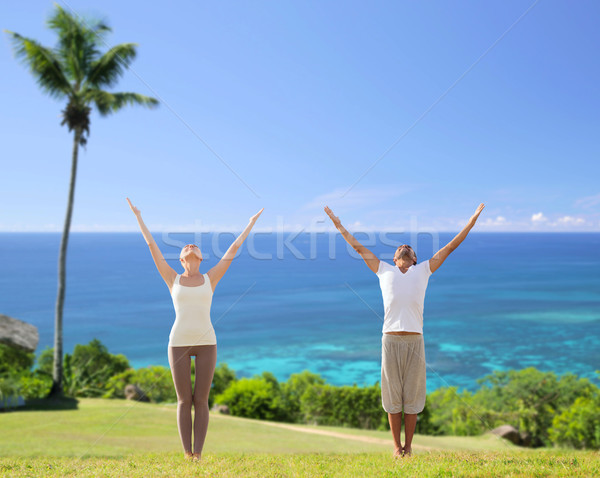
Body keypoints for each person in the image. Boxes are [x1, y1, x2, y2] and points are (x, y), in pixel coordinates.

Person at [324, 203, 485, 458]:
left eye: (408, 248)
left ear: (414, 259)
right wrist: (337, 223)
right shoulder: (382, 270)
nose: (404, 246)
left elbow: (451, 246)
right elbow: (356, 247)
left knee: (412, 398)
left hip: (414, 340)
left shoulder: (424, 270)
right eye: (400, 249)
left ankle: (409, 448)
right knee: (392, 398)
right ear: (395, 259)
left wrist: (472, 220)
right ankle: (396, 448)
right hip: (390, 340)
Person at [127, 198, 263, 461]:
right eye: (186, 247)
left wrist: (250, 224)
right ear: (181, 259)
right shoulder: (172, 278)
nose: (190, 246)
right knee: (183, 401)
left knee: (201, 400)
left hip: (206, 343)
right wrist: (138, 216)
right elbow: (152, 245)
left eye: (195, 247)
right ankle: (186, 454)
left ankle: (198, 454)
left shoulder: (210, 278)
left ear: (200, 257)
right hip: (178, 342)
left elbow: (233, 249)